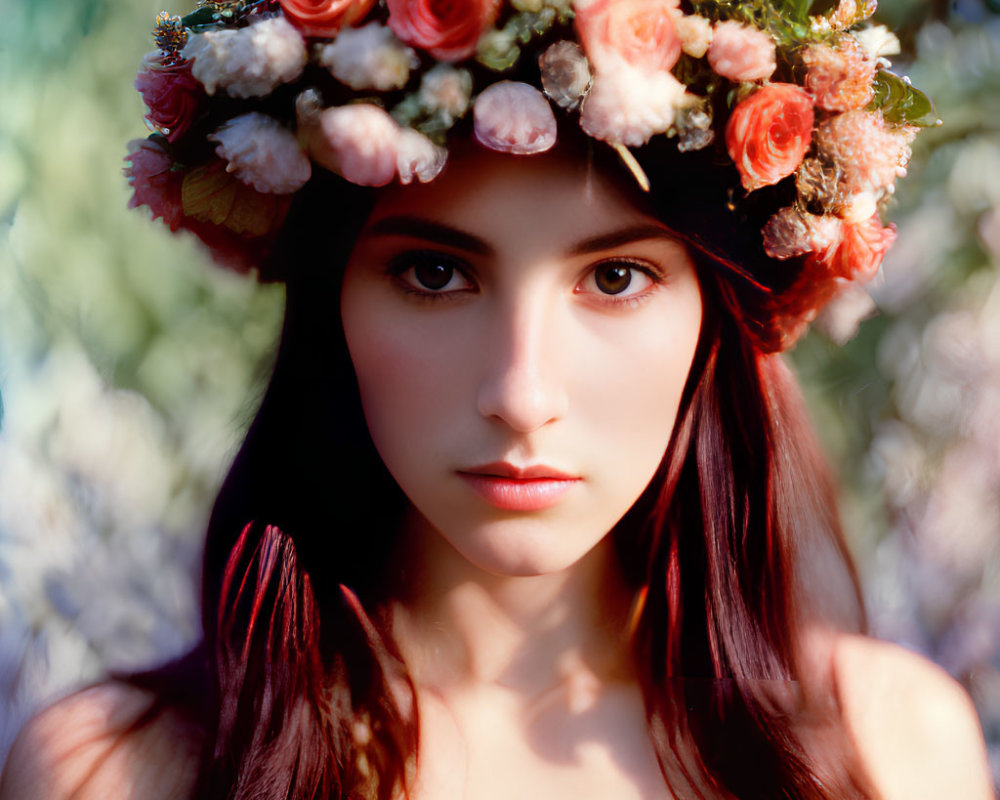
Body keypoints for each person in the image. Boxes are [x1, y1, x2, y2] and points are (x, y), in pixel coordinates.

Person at [0, 1, 994, 798]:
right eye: (434, 273)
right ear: (331, 302)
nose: (522, 392)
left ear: (714, 321)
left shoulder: (891, 751)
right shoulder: (117, 771)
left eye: (613, 279)